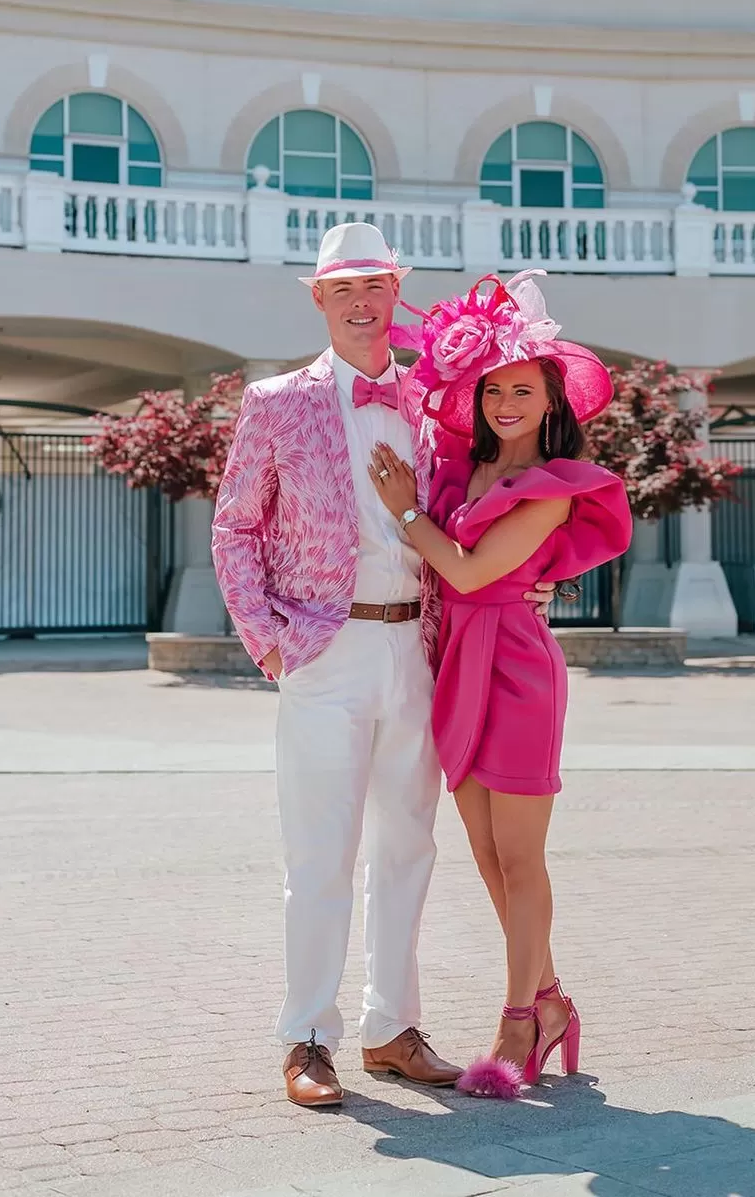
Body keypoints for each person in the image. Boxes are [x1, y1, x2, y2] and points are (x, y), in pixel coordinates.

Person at [211, 223, 555, 1109]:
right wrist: (270, 639)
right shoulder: (275, 401)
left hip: (416, 648)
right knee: (319, 852)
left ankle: (391, 1029)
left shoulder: (436, 405)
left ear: (397, 291)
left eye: (377, 286)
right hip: (322, 652)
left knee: (409, 845)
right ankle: (308, 1036)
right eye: (344, 289)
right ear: (318, 299)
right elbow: (234, 528)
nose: (363, 303)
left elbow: (479, 508)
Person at [367, 270, 633, 1096]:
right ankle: (551, 1001)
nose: (506, 403)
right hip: (459, 663)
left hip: (515, 665)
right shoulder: (459, 468)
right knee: (486, 854)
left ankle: (519, 1018)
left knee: (521, 856)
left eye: (523, 389)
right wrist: (415, 506)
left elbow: (474, 568)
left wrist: (407, 515)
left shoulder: (555, 485)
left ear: (552, 399)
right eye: (493, 390)